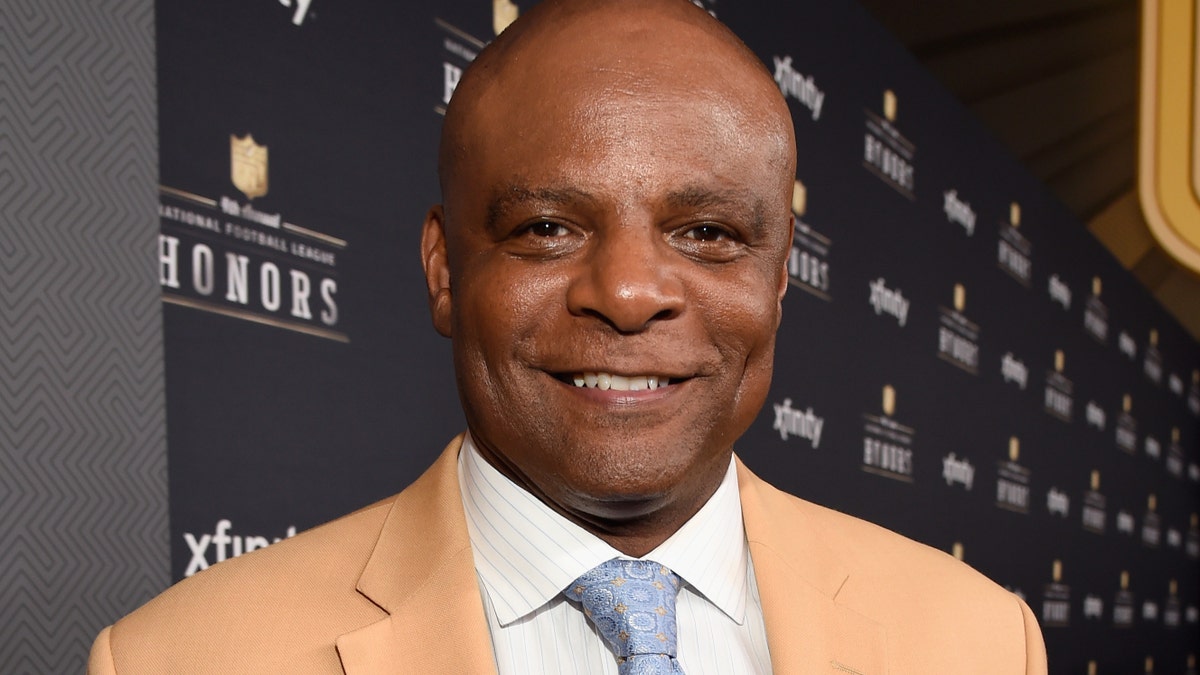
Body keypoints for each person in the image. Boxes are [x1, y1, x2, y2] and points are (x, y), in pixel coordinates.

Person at [89, 1, 1048, 673]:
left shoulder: (978, 641)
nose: (629, 293)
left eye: (706, 233)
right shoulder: (180, 660)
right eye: (548, 227)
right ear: (444, 270)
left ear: (779, 276)